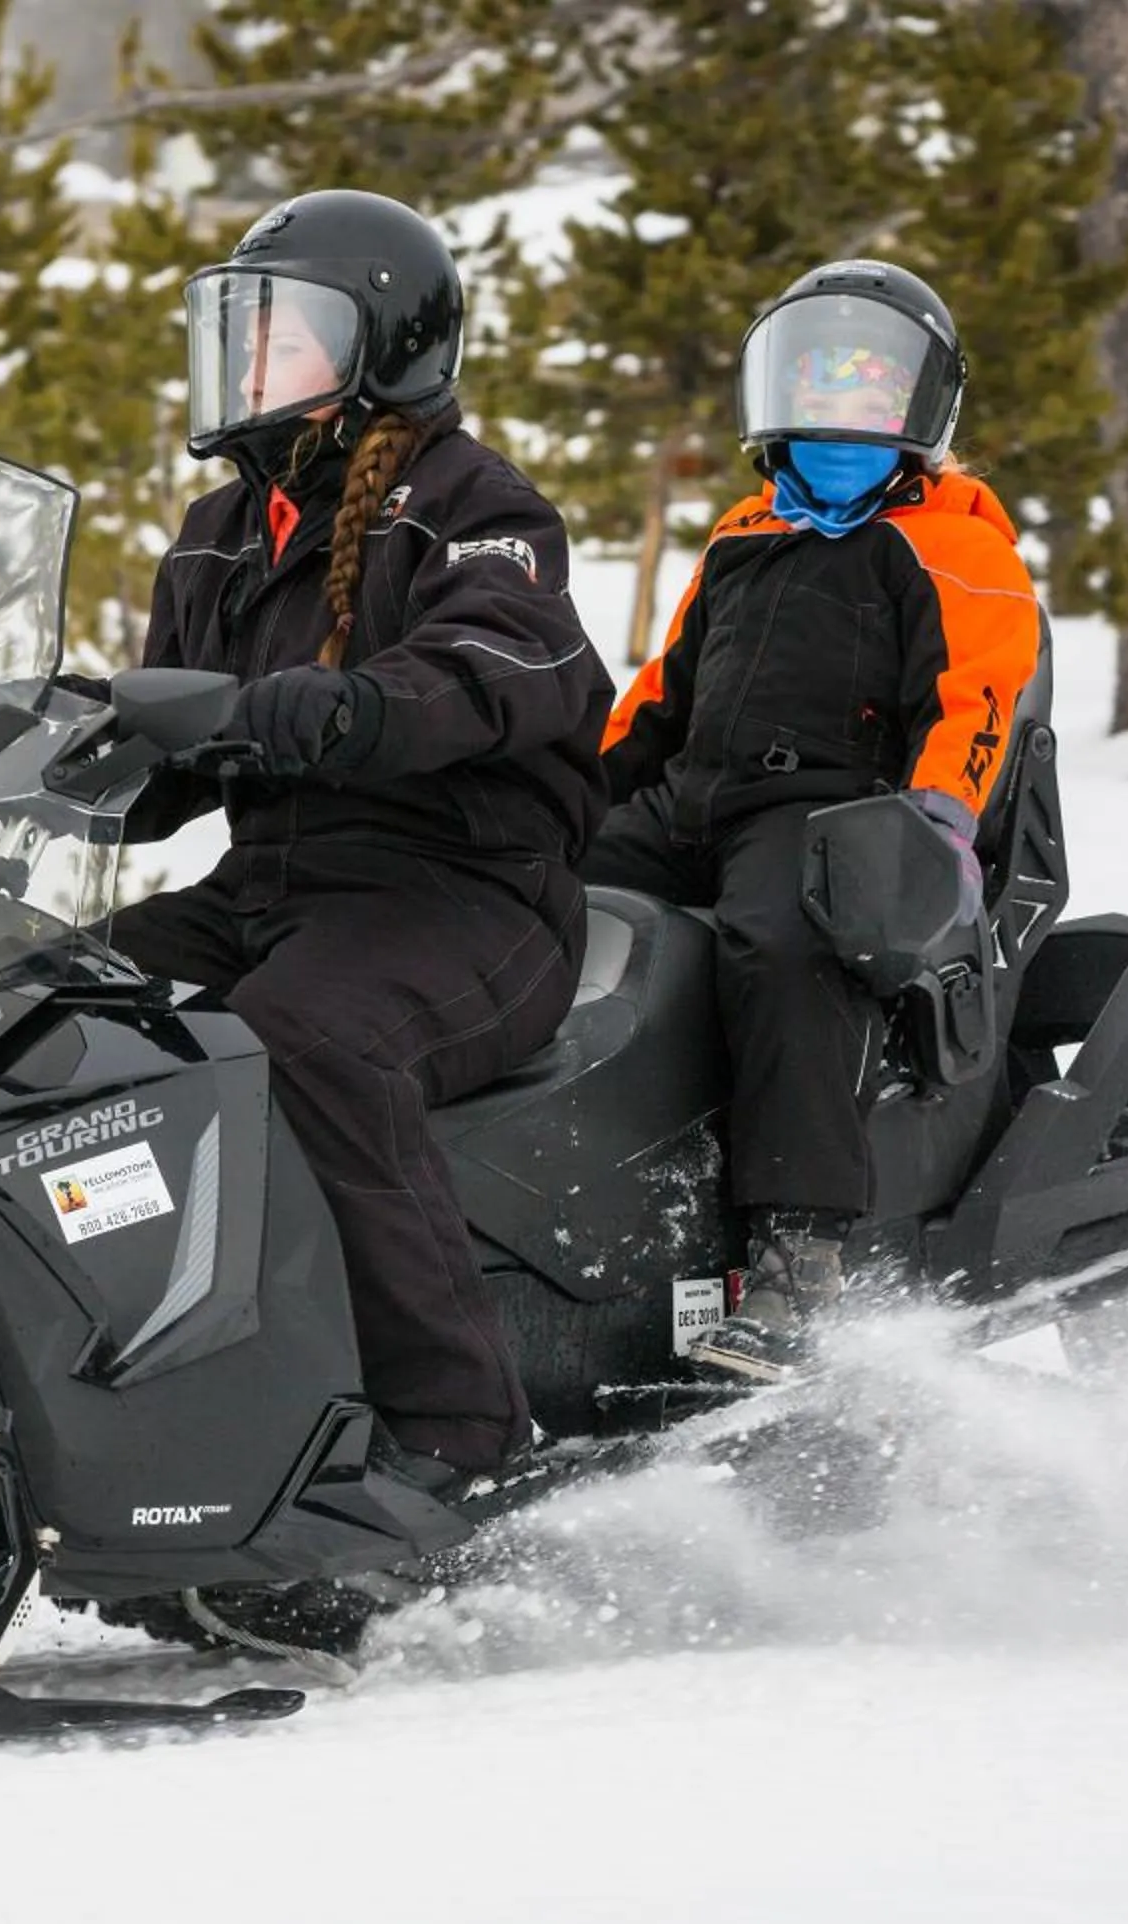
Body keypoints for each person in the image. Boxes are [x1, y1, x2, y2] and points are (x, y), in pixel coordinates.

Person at [106, 189, 611, 1491]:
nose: (250, 361)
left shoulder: (468, 502)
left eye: (286, 335)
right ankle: (118, 1390)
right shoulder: (224, 532)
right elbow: (173, 728)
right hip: (273, 889)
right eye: (239, 331)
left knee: (313, 1042)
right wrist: (58, 757)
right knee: (45, 1015)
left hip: (466, 896)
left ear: (384, 345)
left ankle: (461, 1436)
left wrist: (352, 708)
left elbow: (509, 660)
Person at [584, 258, 1043, 1381]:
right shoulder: (746, 532)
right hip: (691, 798)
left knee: (786, 945)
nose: (840, 411)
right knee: (522, 892)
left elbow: (980, 698)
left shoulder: (952, 542)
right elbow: (664, 691)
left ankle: (800, 1254)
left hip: (832, 813)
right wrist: (566, 794)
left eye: (869, 390)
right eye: (818, 384)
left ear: (920, 407)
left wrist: (932, 822)